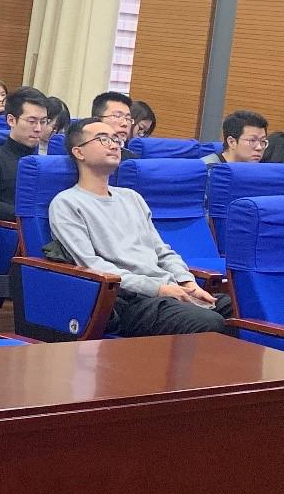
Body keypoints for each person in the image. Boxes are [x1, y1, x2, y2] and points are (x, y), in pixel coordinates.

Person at [50, 118, 233, 337]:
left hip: (167, 290)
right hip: (127, 299)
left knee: (239, 311)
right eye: (103, 139)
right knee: (209, 322)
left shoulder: (132, 197)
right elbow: (91, 265)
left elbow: (162, 252)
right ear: (79, 152)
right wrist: (159, 289)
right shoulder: (67, 203)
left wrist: (187, 281)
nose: (114, 145)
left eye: (116, 139)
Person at [0, 86, 48, 222]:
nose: (38, 128)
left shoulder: (46, 162)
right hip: (12, 228)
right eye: (32, 121)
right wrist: (28, 216)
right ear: (11, 120)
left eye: (43, 122)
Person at [202, 110, 269, 169]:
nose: (259, 147)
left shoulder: (260, 171)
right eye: (252, 140)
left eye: (263, 141)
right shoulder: (206, 170)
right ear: (231, 142)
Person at [90, 91, 138, 160]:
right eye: (117, 116)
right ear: (96, 120)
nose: (125, 124)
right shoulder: (84, 152)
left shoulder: (131, 159)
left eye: (128, 118)